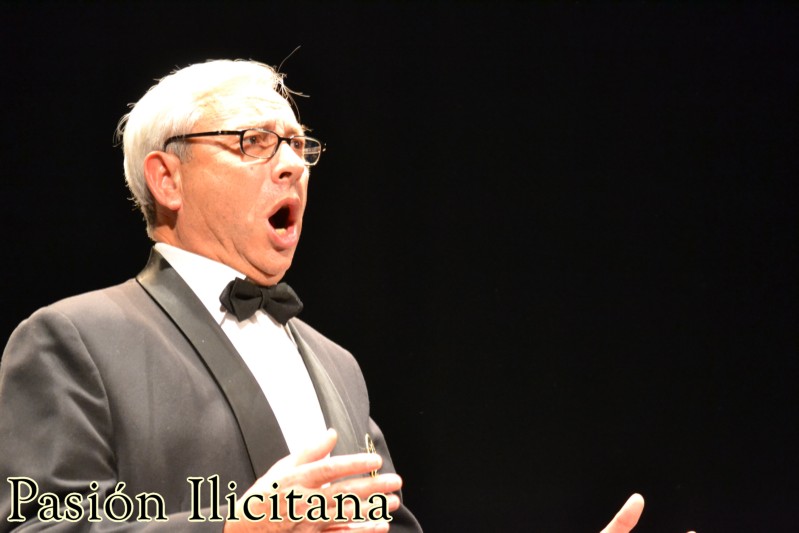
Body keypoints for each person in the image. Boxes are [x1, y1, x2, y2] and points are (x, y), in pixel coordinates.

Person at [0, 59, 682, 533]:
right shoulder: (75, 337)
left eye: (298, 146)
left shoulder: (338, 365)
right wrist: (234, 526)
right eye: (254, 141)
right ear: (167, 179)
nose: (292, 164)